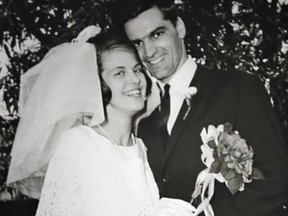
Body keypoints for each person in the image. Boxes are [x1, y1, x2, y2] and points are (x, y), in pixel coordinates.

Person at [111, 0, 288, 215]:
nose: (148, 52)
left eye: (157, 34)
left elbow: (278, 178)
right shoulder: (142, 121)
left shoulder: (238, 88)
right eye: (137, 43)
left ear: (180, 27)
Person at [6, 26, 196, 216]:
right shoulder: (78, 144)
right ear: (98, 84)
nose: (135, 79)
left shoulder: (141, 148)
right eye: (119, 73)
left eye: (137, 70)